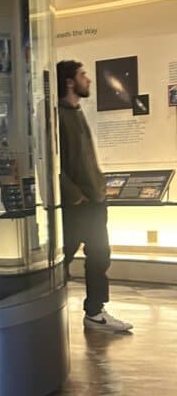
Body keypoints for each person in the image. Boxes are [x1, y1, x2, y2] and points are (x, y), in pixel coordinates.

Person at [57, 60, 133, 333]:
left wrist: (98, 188)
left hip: (94, 202)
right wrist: (75, 195)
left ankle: (95, 312)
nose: (88, 80)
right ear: (69, 82)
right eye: (82, 75)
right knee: (63, 256)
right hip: (78, 205)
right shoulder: (58, 116)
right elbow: (53, 164)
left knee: (100, 256)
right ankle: (44, 311)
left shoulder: (76, 112)